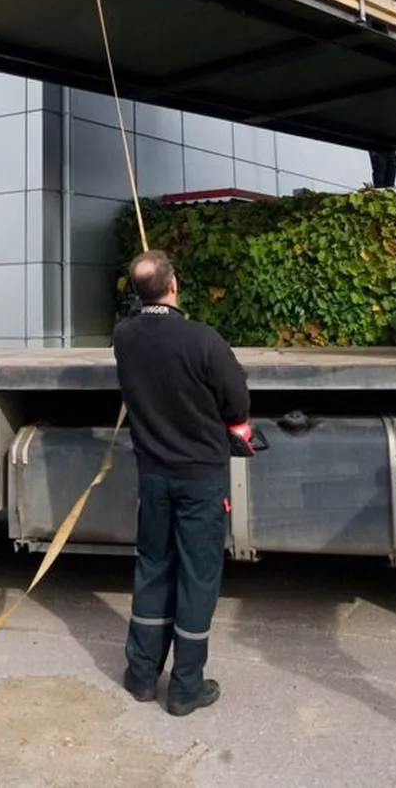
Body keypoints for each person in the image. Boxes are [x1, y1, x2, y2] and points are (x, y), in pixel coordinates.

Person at [112, 248, 250, 716]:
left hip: (153, 478)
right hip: (201, 481)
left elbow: (139, 317)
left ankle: (142, 675)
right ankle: (186, 686)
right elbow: (236, 403)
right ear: (174, 285)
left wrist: (147, 298)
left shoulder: (125, 337)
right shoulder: (203, 341)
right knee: (197, 577)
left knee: (153, 569)